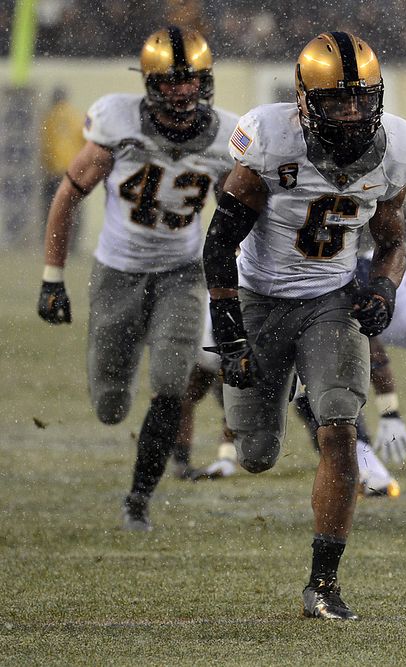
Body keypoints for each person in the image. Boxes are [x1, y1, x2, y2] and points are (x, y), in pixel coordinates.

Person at [201, 32, 406, 622]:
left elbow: (393, 243)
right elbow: (220, 245)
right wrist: (229, 331)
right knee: (255, 454)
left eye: (359, 98)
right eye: (334, 100)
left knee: (339, 429)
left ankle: (322, 583)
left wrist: (383, 286)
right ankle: (292, 380)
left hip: (331, 299)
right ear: (303, 99)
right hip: (260, 300)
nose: (349, 112)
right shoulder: (270, 140)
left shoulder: (398, 148)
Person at [36, 27, 238, 532]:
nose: (182, 91)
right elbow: (66, 197)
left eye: (190, 80)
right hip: (118, 272)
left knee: (172, 384)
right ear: (148, 83)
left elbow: (244, 211)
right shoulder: (117, 122)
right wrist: (51, 278)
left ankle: (138, 498)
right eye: (170, 82)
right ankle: (132, 466)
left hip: (181, 272)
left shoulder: (224, 138)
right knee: (109, 404)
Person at [174, 242, 406, 495]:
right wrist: (224, 457)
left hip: (373, 291)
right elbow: (237, 398)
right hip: (301, 305)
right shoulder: (218, 341)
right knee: (315, 399)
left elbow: (373, 354)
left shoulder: (252, 303)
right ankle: (364, 465)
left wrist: (389, 412)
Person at [39, 87, 86, 250]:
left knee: (51, 209)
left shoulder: (48, 118)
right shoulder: (77, 116)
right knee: (73, 210)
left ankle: (52, 244)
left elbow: (44, 146)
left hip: (53, 173)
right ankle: (72, 245)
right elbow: (86, 142)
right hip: (73, 173)